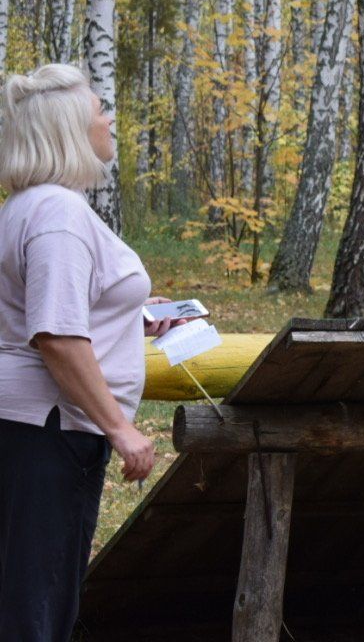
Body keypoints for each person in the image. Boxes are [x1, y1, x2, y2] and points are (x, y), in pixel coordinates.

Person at [0, 64, 188, 641]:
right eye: (100, 110)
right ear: (70, 131)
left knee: (26, 592)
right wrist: (121, 429)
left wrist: (130, 309)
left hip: (32, 429)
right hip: (51, 434)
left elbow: (59, 306)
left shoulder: (32, 206)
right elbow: (55, 336)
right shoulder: (59, 216)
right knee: (39, 604)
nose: (110, 120)